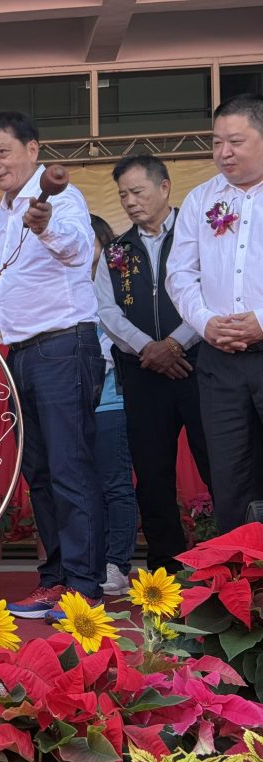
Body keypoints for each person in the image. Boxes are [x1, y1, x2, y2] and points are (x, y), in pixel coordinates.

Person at [0, 111, 105, 619]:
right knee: (38, 472)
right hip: (23, 354)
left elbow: (78, 249)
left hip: (64, 345)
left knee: (69, 468)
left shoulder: (62, 198)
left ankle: (84, 586)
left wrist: (46, 226)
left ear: (32, 150)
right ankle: (54, 579)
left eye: (3, 152)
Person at [95, 156, 212, 574]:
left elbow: (213, 292)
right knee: (151, 470)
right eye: (123, 195)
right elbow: (107, 311)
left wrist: (176, 344)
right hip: (143, 371)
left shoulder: (197, 235)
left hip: (198, 365)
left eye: (137, 191)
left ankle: (232, 557)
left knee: (216, 461)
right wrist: (150, 349)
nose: (130, 201)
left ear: (164, 187)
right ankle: (167, 566)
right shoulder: (116, 250)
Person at [167, 94, 263, 533]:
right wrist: (205, 322)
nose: (224, 152)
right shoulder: (200, 199)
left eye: (236, 141)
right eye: (217, 142)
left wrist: (261, 320)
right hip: (219, 361)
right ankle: (240, 570)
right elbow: (180, 274)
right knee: (230, 477)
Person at [89, 215, 140, 593]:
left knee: (115, 484)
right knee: (85, 488)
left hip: (110, 401)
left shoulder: (118, 286)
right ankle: (90, 561)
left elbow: (116, 342)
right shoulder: (63, 288)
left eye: (87, 241)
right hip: (74, 406)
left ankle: (117, 564)